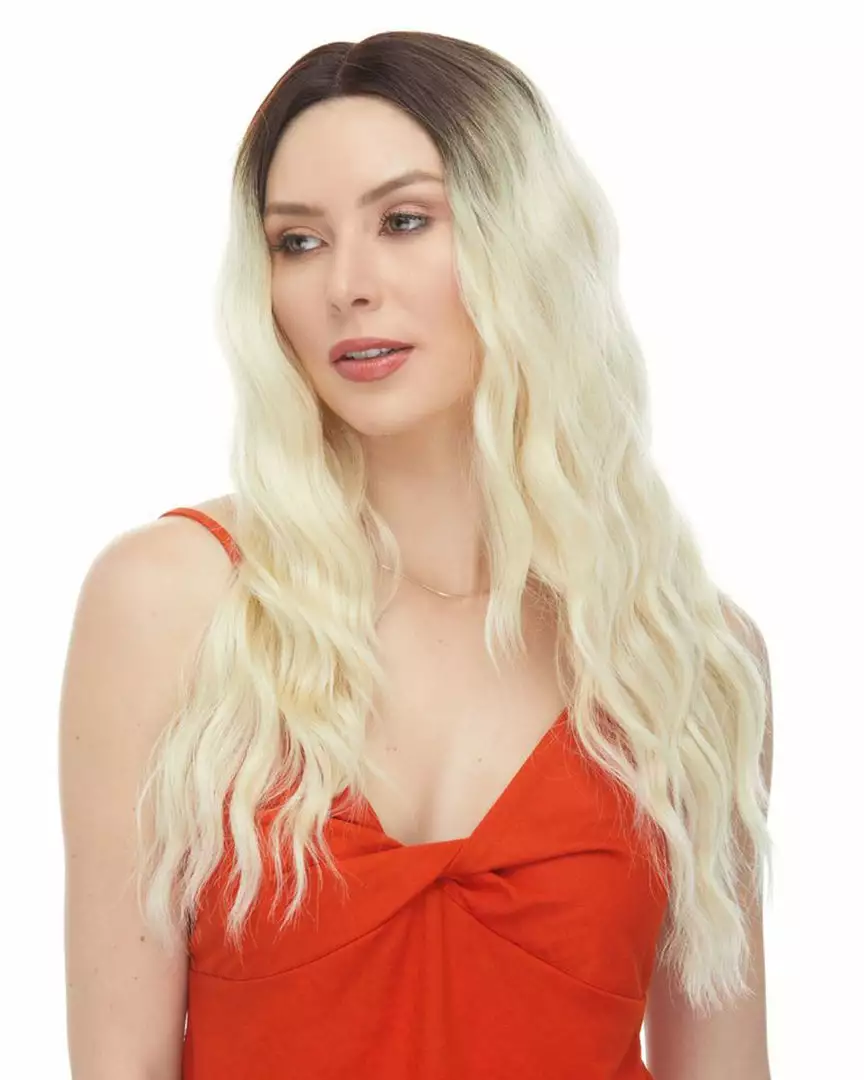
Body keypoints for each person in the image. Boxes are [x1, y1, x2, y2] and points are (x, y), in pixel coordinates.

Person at [59, 30, 774, 1080]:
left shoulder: (684, 656)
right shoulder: (172, 602)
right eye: (298, 241)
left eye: (403, 221)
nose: (346, 284)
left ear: (520, 241)